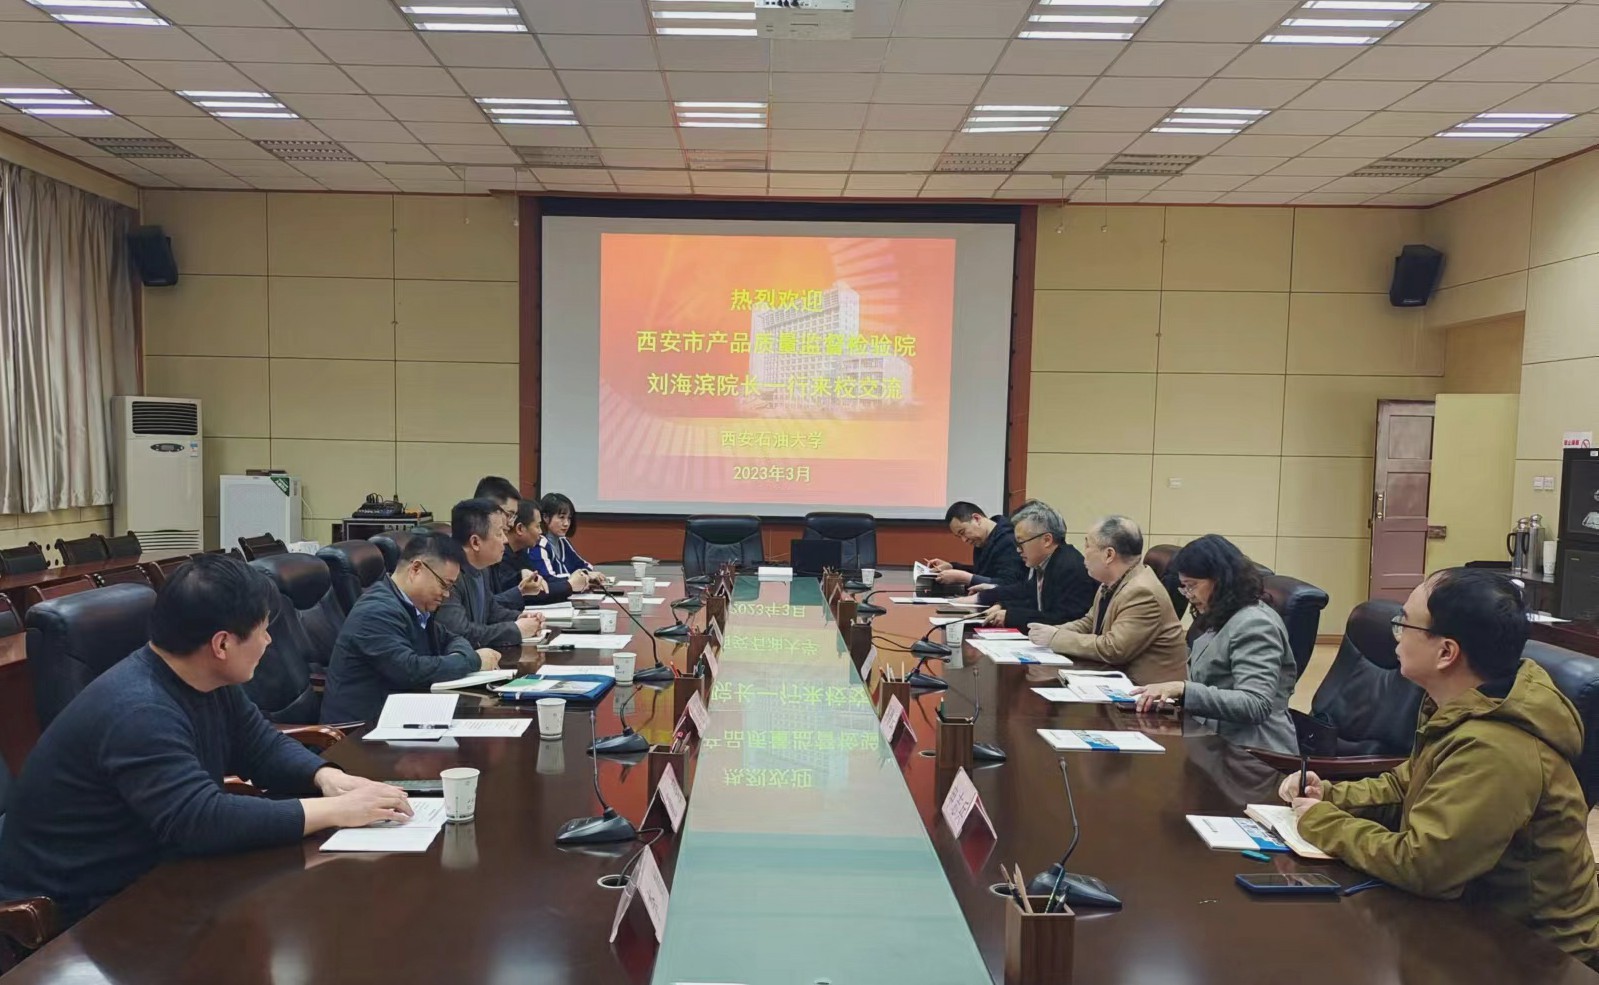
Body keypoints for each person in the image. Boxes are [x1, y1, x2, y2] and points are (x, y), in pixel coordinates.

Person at [0, 555, 414, 926]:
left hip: (154, 870)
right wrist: (337, 811)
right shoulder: (139, 710)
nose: (269, 641)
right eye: (263, 630)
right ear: (222, 644)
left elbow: (261, 747)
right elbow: (201, 820)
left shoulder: (206, 679)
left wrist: (326, 778)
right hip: (80, 909)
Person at [1282, 568, 1599, 968]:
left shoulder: (1495, 748)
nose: (1396, 634)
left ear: (1446, 652)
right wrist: (1329, 794)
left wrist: (1322, 822)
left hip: (1533, 954)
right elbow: (1406, 785)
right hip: (1470, 917)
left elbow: (1425, 866)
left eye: (1405, 623)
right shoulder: (1463, 705)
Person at [1131, 534, 1297, 754]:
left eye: (1192, 586)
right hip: (1214, 742)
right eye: (1184, 588)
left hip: (1254, 754)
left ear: (1220, 580)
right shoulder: (1224, 615)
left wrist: (1183, 690)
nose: (1188, 595)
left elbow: (1255, 703)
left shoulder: (1255, 624)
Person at [321, 531, 500, 724]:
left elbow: (453, 638)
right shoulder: (376, 611)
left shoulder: (413, 606)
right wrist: (473, 660)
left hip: (399, 717)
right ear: (416, 569)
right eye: (444, 585)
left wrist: (462, 656)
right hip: (359, 731)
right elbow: (410, 670)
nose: (447, 594)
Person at [1026, 515, 1186, 685]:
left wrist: (1056, 638)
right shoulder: (1111, 582)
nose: (1084, 553)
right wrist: (1052, 631)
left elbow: (1114, 649)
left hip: (1147, 691)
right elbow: (1089, 623)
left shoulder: (1142, 592)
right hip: (1116, 680)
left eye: (1088, 545)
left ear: (1109, 554)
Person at [436, 498, 545, 650]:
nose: (505, 540)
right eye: (499, 533)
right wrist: (516, 630)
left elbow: (491, 610)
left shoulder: (482, 568)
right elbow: (460, 632)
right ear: (475, 542)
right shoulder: (448, 576)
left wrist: (518, 618)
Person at [972, 499, 1096, 630]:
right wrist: (1002, 605)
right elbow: (1028, 596)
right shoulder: (1044, 562)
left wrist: (1011, 617)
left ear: (1047, 540)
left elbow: (1065, 620)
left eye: (1021, 542)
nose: (1018, 549)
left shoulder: (1070, 568)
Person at [924, 501, 1027, 590]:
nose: (964, 540)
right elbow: (985, 573)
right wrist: (952, 567)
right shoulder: (983, 540)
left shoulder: (1008, 539)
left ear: (976, 518)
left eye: (963, 532)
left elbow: (1008, 584)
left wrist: (966, 578)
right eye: (959, 537)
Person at [489, 496, 571, 607]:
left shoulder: (521, 552)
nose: (541, 532)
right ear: (520, 529)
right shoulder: (499, 556)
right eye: (537, 526)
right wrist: (570, 585)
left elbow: (540, 584)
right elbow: (532, 594)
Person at [535, 492, 602, 592]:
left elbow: (583, 565)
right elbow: (548, 580)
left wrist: (587, 574)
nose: (566, 523)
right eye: (561, 517)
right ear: (545, 517)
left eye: (569, 518)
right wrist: (581, 578)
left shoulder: (563, 541)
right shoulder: (538, 545)